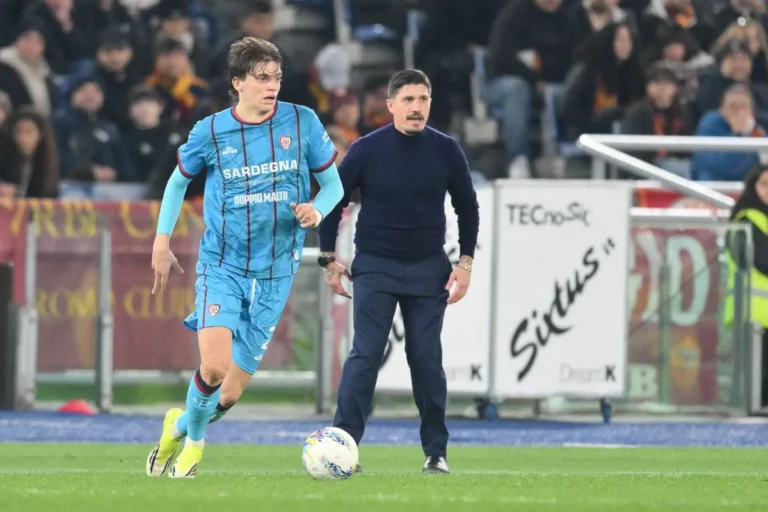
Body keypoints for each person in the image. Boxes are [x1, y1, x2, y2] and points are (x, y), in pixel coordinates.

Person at [145, 36, 343, 479]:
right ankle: (194, 447)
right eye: (261, 78)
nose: (272, 86)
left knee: (228, 395)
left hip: (277, 271)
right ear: (237, 82)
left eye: (277, 77)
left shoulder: (303, 121)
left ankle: (177, 426)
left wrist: (317, 209)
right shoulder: (211, 131)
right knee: (213, 366)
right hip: (223, 264)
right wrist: (161, 242)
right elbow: (178, 183)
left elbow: (334, 186)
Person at [318, 69, 480, 474]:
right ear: (390, 105)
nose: (416, 107)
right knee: (365, 354)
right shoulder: (366, 149)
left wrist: (465, 263)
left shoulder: (446, 150)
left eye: (423, 99)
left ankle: (436, 453)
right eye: (408, 100)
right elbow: (334, 199)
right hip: (375, 267)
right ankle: (344, 445)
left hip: (429, 270)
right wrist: (327, 257)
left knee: (425, 358)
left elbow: (468, 207)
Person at [725, 164, 768, 406]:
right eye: (764, 184)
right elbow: (763, 260)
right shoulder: (746, 219)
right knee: (757, 393)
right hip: (754, 319)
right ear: (752, 187)